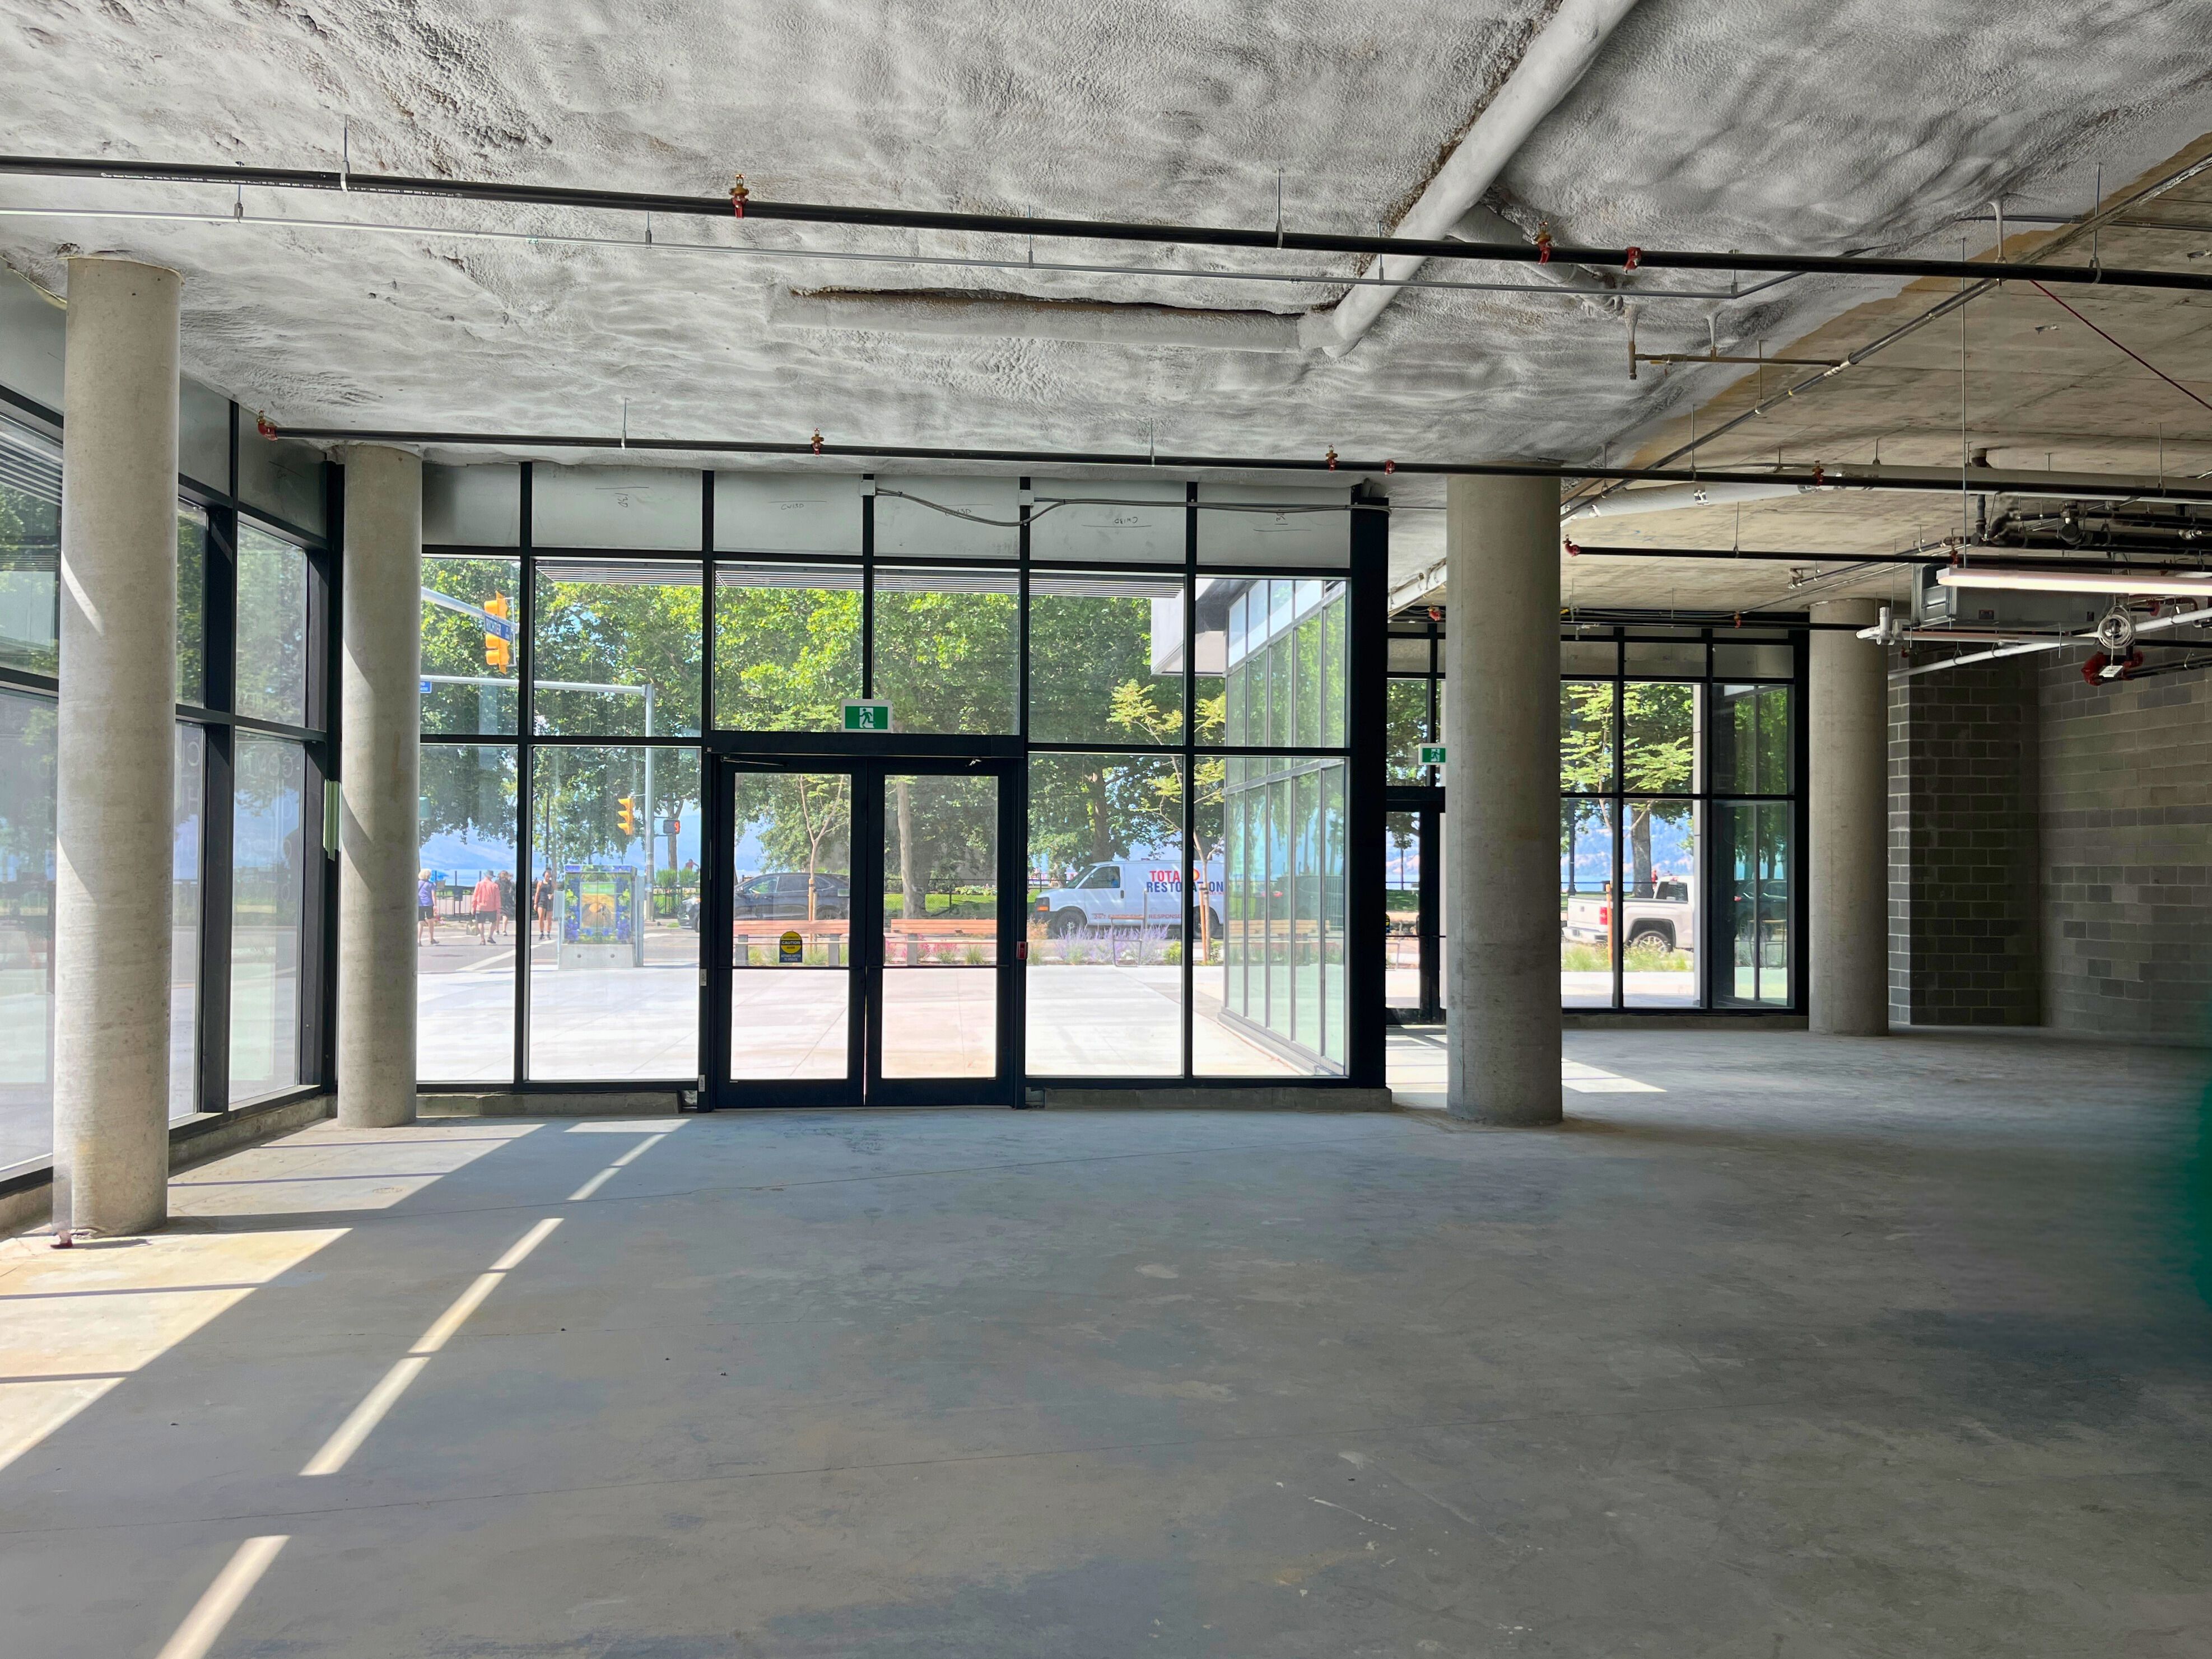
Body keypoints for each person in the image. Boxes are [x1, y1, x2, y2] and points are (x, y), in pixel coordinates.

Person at [470, 870, 501, 945]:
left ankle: (482, 939)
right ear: (492, 877)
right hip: (492, 908)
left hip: (480, 907)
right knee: (493, 922)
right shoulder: (495, 886)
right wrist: (498, 910)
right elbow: (498, 899)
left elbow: (475, 897)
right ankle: (490, 937)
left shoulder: (479, 884)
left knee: (481, 923)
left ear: (485, 876)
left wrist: (473, 907)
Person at [534, 868, 557, 942]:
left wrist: (553, 895)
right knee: (541, 917)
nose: (548, 877)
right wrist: (535, 903)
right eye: (547, 875)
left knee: (549, 919)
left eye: (549, 876)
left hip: (549, 902)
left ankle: (548, 933)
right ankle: (541, 933)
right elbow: (537, 893)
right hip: (541, 901)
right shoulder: (540, 883)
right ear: (544, 875)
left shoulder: (552, 883)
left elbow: (557, 892)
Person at [417, 869, 439, 945]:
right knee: (431, 922)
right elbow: (433, 896)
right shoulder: (431, 884)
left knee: (420, 922)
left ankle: (419, 940)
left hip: (420, 905)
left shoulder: (417, 884)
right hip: (429, 904)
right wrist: (435, 905)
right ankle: (431, 939)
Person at [496, 870, 515, 943]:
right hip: (506, 900)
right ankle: (504, 930)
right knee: (505, 915)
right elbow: (511, 891)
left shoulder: (497, 882)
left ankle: (497, 930)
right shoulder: (509, 883)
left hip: (499, 899)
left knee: (498, 914)